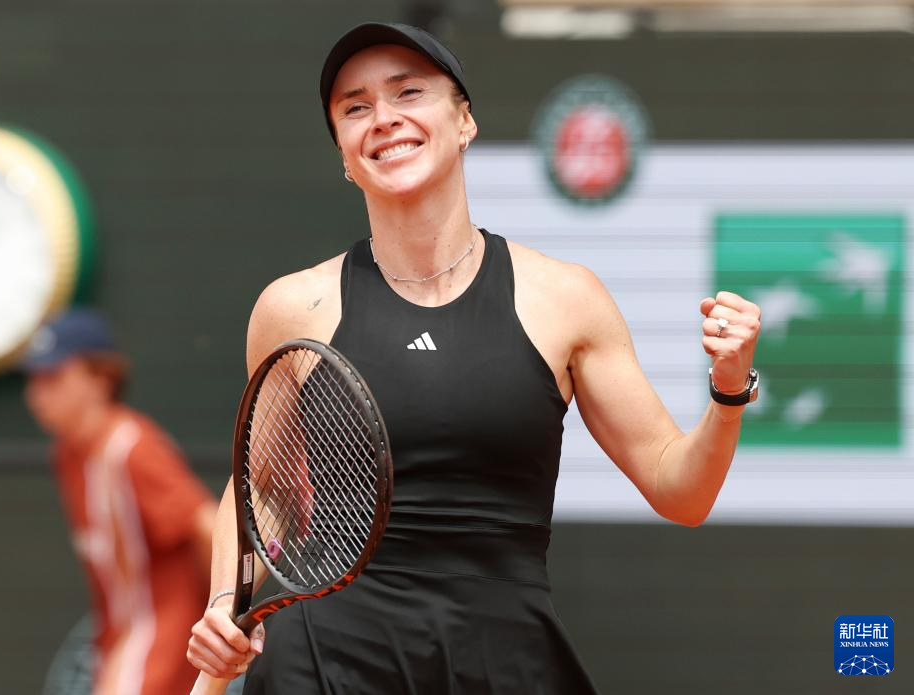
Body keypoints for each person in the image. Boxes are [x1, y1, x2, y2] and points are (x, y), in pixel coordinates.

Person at [187, 22, 762, 694]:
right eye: (356, 107)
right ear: (344, 154)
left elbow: (681, 491)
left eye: (408, 93)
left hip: (501, 663)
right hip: (324, 664)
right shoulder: (293, 307)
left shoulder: (565, 299)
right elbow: (262, 490)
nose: (384, 118)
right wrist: (224, 601)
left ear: (464, 122)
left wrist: (728, 391)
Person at [22, 308, 218, 695]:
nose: (36, 394)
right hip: (121, 647)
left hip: (164, 651)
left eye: (54, 376)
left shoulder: (133, 448)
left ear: (101, 378)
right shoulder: (68, 454)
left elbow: (208, 525)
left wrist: (221, 618)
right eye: (33, 379)